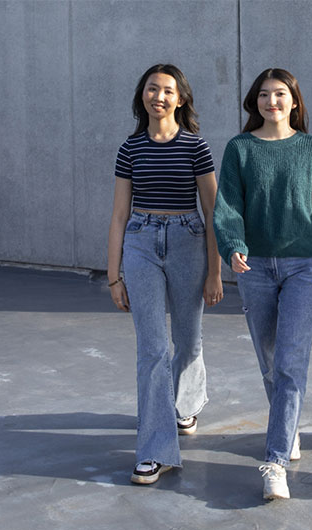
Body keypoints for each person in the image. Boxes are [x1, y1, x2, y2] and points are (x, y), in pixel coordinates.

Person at [214, 68, 312, 500]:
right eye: (265, 95)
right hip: (254, 270)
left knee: (289, 362)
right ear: (255, 102)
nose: (273, 102)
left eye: (281, 94)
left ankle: (275, 462)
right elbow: (228, 205)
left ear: (295, 101)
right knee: (271, 361)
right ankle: (288, 425)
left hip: (304, 269)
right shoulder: (240, 148)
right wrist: (232, 245)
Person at [106, 64, 223, 486]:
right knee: (153, 349)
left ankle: (187, 401)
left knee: (188, 341)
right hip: (141, 242)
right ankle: (154, 449)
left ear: (181, 99)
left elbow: (213, 213)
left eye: (168, 90)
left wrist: (215, 271)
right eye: (152, 89)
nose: (159, 96)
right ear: (143, 96)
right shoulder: (130, 148)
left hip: (189, 241)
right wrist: (113, 275)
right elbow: (119, 215)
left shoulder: (196, 146)